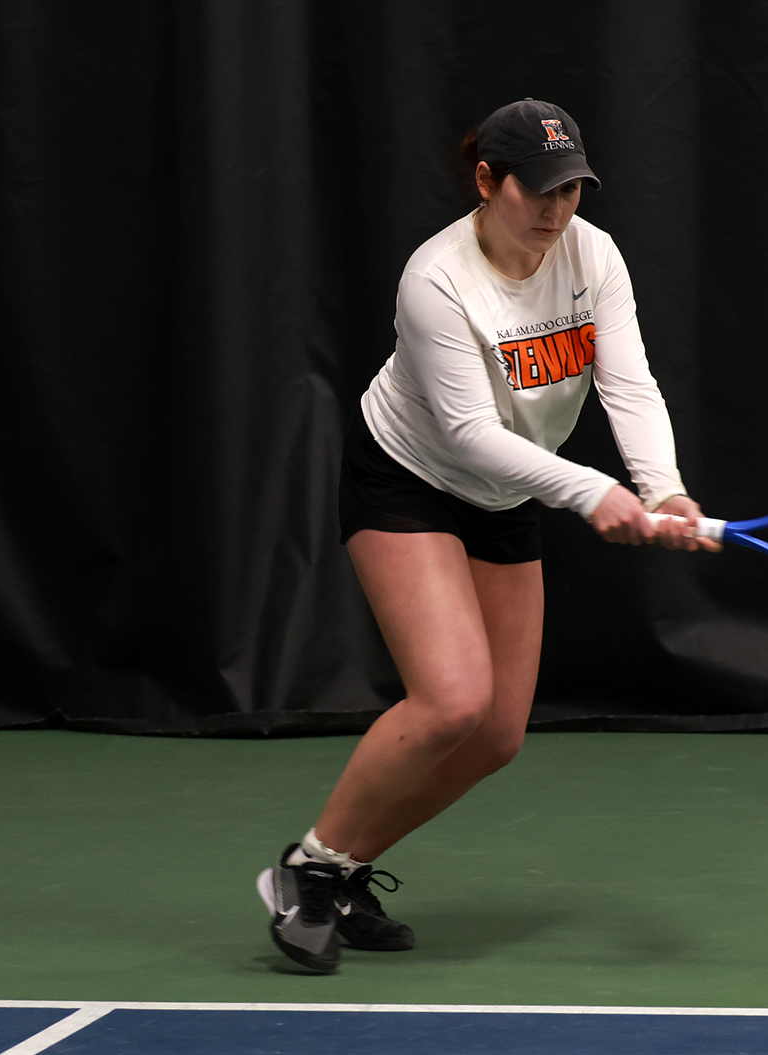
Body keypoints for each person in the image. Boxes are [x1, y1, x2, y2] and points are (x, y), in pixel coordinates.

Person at [255, 98, 717, 973]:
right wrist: (592, 492)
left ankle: (346, 870)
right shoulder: (436, 279)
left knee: (498, 734)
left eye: (571, 189)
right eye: (537, 190)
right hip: (409, 480)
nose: (555, 210)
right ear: (486, 181)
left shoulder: (593, 252)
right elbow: (470, 434)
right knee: (452, 700)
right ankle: (306, 874)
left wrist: (663, 487)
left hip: (508, 492)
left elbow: (629, 382)